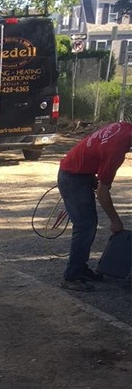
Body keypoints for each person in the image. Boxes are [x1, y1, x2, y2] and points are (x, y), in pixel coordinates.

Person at [57, 121, 132, 290]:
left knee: (88, 225)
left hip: (78, 172)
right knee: (85, 226)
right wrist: (115, 221)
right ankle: (72, 277)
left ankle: (80, 268)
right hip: (73, 178)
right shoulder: (116, 150)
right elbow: (102, 192)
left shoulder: (123, 127)